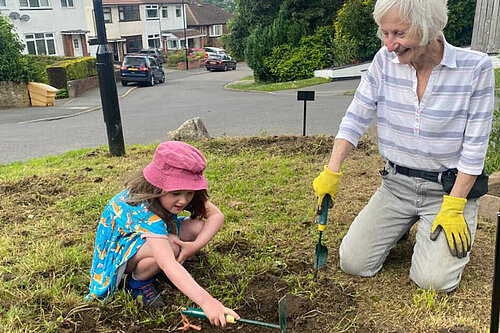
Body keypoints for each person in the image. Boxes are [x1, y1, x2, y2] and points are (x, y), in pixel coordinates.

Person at [313, 0, 494, 293]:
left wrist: (456, 204)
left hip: (446, 191)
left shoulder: (475, 68)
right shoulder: (383, 63)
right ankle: (402, 227)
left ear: (428, 28)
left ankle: (437, 229)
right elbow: (356, 116)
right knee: (353, 262)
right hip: (396, 185)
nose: (389, 45)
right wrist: (331, 171)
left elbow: (475, 148)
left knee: (434, 282)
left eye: (398, 34)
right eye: (384, 34)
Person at [87, 141, 239, 327]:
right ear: (156, 186)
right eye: (176, 193)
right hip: (119, 253)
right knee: (171, 246)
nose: (183, 200)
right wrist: (208, 302)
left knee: (197, 228)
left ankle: (165, 263)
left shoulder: (174, 197)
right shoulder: (144, 210)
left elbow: (216, 215)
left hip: (152, 238)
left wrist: (194, 247)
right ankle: (138, 282)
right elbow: (168, 263)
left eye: (190, 193)